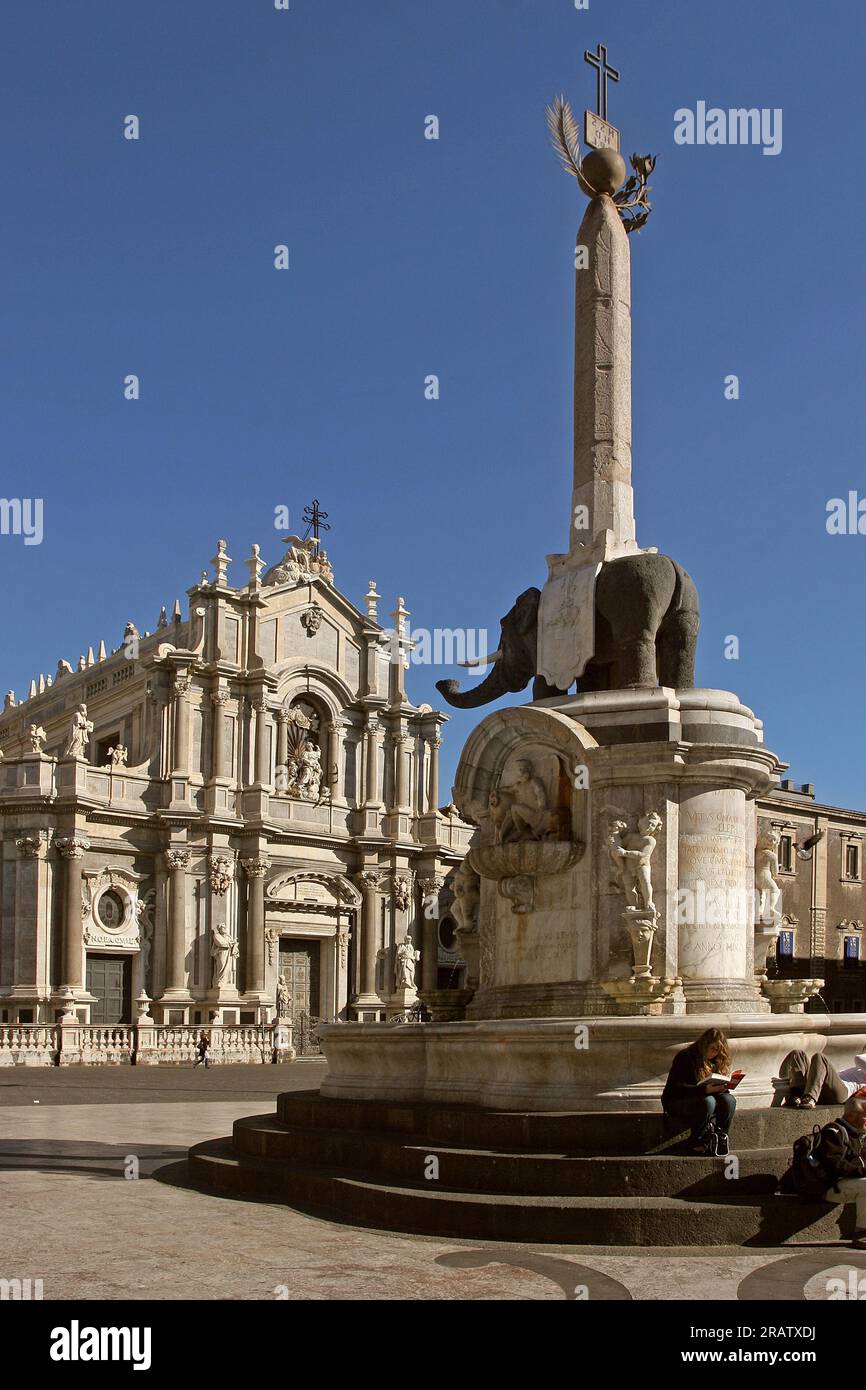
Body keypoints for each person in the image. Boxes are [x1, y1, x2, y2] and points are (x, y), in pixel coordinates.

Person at [661, 1027, 737, 1156]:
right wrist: (704, 1089)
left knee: (729, 1100)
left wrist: (724, 1088)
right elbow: (676, 1088)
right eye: (713, 1049)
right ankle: (697, 1141)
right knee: (709, 1101)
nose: (715, 1053)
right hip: (678, 1101)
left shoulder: (716, 1061)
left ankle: (721, 1137)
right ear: (704, 1045)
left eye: (718, 1051)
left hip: (704, 1099)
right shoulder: (686, 1057)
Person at [820, 1095, 866, 1249]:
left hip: (850, 1183)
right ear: (851, 1115)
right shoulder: (833, 1133)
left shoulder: (858, 1134)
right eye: (865, 1116)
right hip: (829, 1186)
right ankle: (862, 1234)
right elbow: (835, 1165)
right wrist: (862, 1171)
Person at [779, 1048, 866, 1109]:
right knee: (798, 1054)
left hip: (842, 1092)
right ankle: (797, 1096)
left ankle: (810, 1098)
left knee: (820, 1057)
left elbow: (858, 1058)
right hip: (823, 1087)